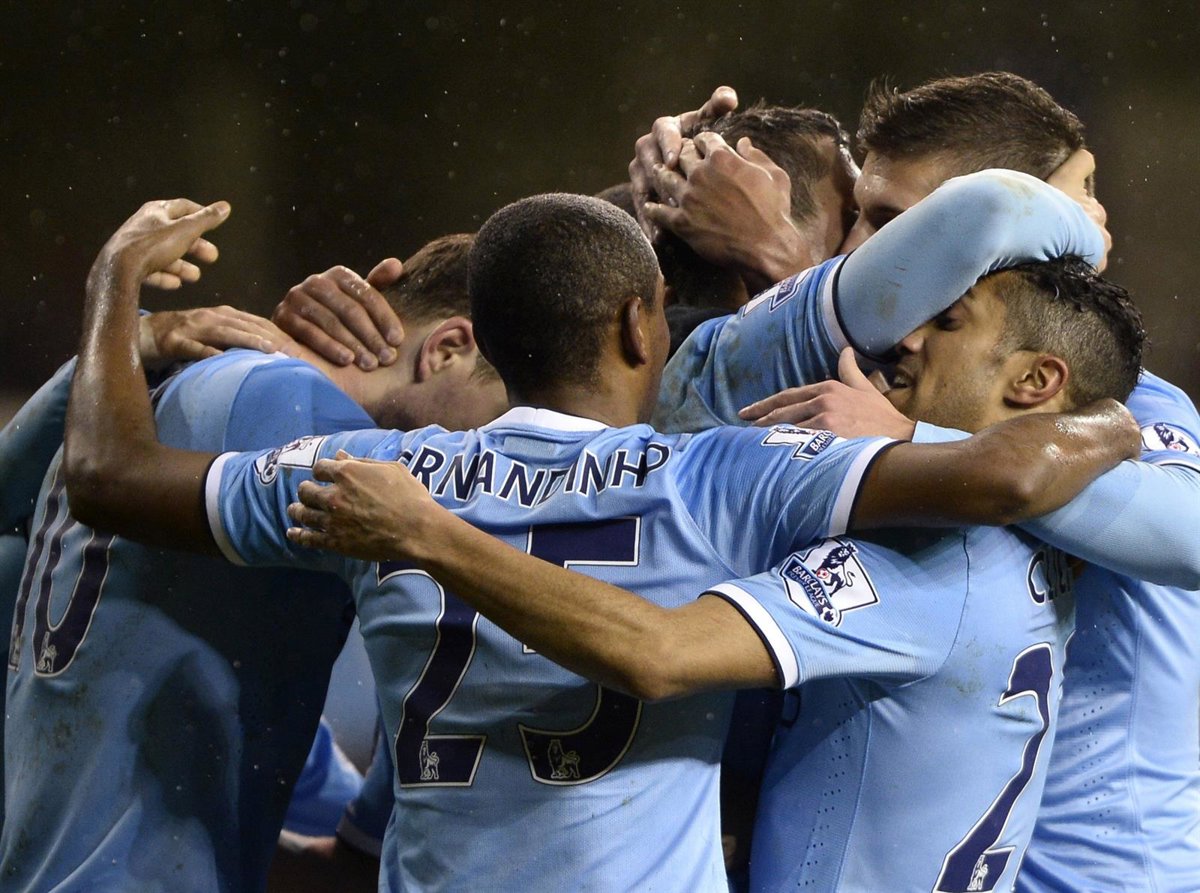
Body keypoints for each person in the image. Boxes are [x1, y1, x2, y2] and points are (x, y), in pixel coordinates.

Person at [59, 192, 1141, 892]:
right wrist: (1138, 426)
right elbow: (1013, 472)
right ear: (638, 325)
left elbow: (106, 477)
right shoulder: (722, 474)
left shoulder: (368, 478)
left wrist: (116, 291)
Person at [639, 74, 1200, 892]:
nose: (856, 245)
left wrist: (910, 443)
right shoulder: (877, 385)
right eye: (859, 214)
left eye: (894, 225)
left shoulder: (1116, 396)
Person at [1, 233, 505, 891]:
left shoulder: (139, 379)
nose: (492, 451)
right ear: (447, 348)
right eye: (506, 413)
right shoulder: (325, 437)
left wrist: (125, 328)